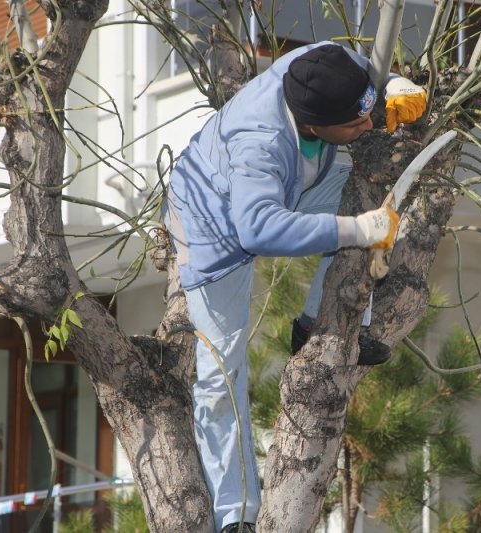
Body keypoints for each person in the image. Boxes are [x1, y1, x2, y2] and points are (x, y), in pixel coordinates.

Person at [163, 41, 427, 533]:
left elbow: (356, 57)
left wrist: (390, 83)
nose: (367, 127)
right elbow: (258, 229)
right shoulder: (259, 142)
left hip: (293, 186)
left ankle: (312, 326)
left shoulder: (317, 64)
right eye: (355, 124)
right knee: (221, 373)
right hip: (212, 223)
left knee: (376, 199)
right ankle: (234, 514)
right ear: (312, 126)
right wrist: (355, 229)